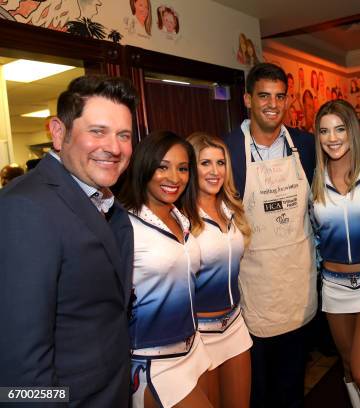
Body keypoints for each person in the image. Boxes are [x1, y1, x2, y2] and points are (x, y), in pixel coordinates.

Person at [0, 75, 137, 407]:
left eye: (124, 135)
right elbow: (21, 368)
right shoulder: (25, 207)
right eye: (97, 131)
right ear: (59, 133)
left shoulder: (102, 200)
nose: (114, 148)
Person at [224, 62, 317, 408]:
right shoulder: (227, 150)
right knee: (257, 393)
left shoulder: (305, 147)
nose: (272, 104)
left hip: (297, 288)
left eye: (280, 96)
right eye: (264, 95)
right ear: (248, 99)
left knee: (292, 387)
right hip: (254, 294)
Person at [119, 131, 212, 408]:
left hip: (193, 348)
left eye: (182, 168)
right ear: (145, 167)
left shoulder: (179, 216)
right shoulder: (124, 225)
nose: (174, 177)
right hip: (153, 360)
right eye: (163, 166)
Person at [312, 100, 360, 408]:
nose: (332, 138)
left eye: (339, 129)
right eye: (324, 131)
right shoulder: (314, 182)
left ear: (352, 131)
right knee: (347, 367)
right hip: (333, 285)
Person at [187, 132, 253, 408]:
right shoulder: (182, 218)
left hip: (235, 325)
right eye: (205, 163)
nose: (215, 171)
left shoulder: (231, 209)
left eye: (220, 163)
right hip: (201, 334)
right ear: (191, 167)